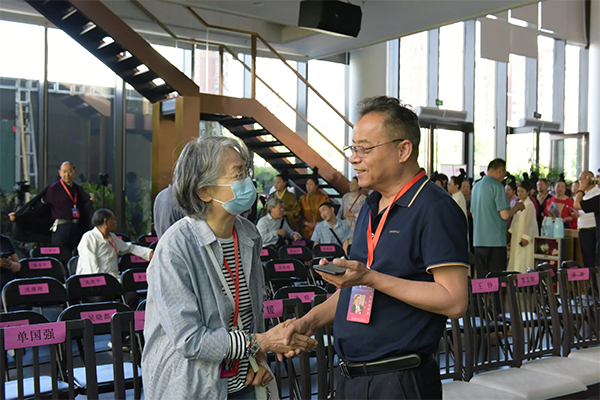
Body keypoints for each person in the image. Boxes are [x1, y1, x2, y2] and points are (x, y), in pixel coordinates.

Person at [283, 96, 469, 400]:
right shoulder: (371, 207)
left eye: (365, 149)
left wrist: (371, 278)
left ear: (403, 150)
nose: (354, 159)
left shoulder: (434, 208)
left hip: (399, 379)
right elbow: (356, 289)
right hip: (352, 376)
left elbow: (454, 300)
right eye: (353, 148)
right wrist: (308, 321)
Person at [142, 136, 316, 400]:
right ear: (204, 191)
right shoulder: (175, 248)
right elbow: (190, 340)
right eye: (238, 174)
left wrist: (260, 356)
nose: (248, 182)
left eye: (247, 172)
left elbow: (252, 313)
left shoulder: (248, 234)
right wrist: (263, 341)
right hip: (193, 388)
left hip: (244, 382)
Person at [471, 159, 525, 279]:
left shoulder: (476, 187)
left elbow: (474, 214)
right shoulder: (497, 186)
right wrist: (517, 207)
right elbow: (505, 214)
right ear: (499, 171)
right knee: (497, 280)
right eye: (504, 174)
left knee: (482, 280)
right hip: (495, 242)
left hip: (478, 241)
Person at [76, 209, 153, 279]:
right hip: (97, 281)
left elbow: (130, 248)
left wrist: (149, 253)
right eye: (113, 220)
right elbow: (91, 269)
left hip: (114, 279)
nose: (115, 223)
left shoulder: (112, 237)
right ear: (106, 222)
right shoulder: (89, 237)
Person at [42, 161, 93, 252]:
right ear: (60, 173)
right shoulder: (54, 189)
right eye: (64, 172)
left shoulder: (78, 189)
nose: (67, 175)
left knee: (78, 253)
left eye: (69, 171)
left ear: (74, 172)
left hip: (76, 227)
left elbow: (84, 206)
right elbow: (43, 205)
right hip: (61, 227)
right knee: (60, 254)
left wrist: (90, 200)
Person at [507, 181, 539, 273]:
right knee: (515, 256)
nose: (520, 193)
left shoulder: (530, 205)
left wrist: (526, 237)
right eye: (518, 191)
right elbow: (514, 219)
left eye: (522, 191)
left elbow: (530, 222)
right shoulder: (519, 203)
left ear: (527, 192)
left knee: (524, 258)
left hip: (524, 237)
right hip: (517, 234)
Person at [572, 171, 600, 268]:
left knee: (593, 263)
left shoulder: (597, 194)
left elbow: (577, 204)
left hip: (591, 230)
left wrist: (581, 189)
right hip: (583, 229)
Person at [299, 174, 329, 239]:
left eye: (311, 184)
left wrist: (318, 223)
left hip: (321, 227)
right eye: (307, 184)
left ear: (316, 186)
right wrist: (306, 223)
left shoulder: (323, 198)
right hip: (306, 228)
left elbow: (327, 213)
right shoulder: (302, 199)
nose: (308, 187)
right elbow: (299, 214)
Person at [337, 177, 366, 244]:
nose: (351, 186)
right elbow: (340, 211)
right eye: (350, 184)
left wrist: (353, 215)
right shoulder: (346, 197)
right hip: (346, 224)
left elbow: (364, 214)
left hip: (356, 225)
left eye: (353, 184)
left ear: (358, 185)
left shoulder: (363, 199)